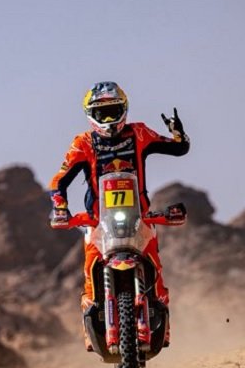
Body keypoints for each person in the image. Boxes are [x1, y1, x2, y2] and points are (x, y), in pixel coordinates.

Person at [48, 81, 190, 348]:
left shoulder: (139, 133)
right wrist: (60, 206)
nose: (108, 120)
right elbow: (59, 180)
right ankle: (90, 328)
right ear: (90, 115)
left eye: (113, 112)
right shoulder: (82, 143)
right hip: (98, 220)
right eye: (102, 114)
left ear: (124, 109)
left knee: (156, 268)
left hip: (139, 216)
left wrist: (178, 133)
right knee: (90, 273)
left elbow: (178, 148)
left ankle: (163, 323)